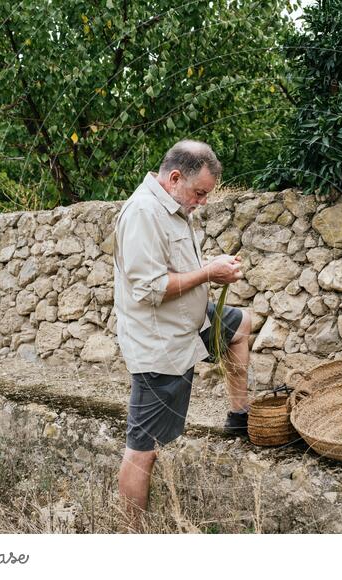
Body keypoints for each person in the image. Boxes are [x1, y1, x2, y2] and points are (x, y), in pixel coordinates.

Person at [112, 140, 251, 530]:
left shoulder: (171, 208)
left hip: (189, 324)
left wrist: (210, 267)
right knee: (142, 451)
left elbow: (172, 269)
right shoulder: (142, 213)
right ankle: (129, 539)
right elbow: (150, 287)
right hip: (161, 345)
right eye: (200, 193)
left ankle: (239, 418)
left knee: (241, 325)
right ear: (175, 178)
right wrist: (209, 273)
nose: (203, 202)